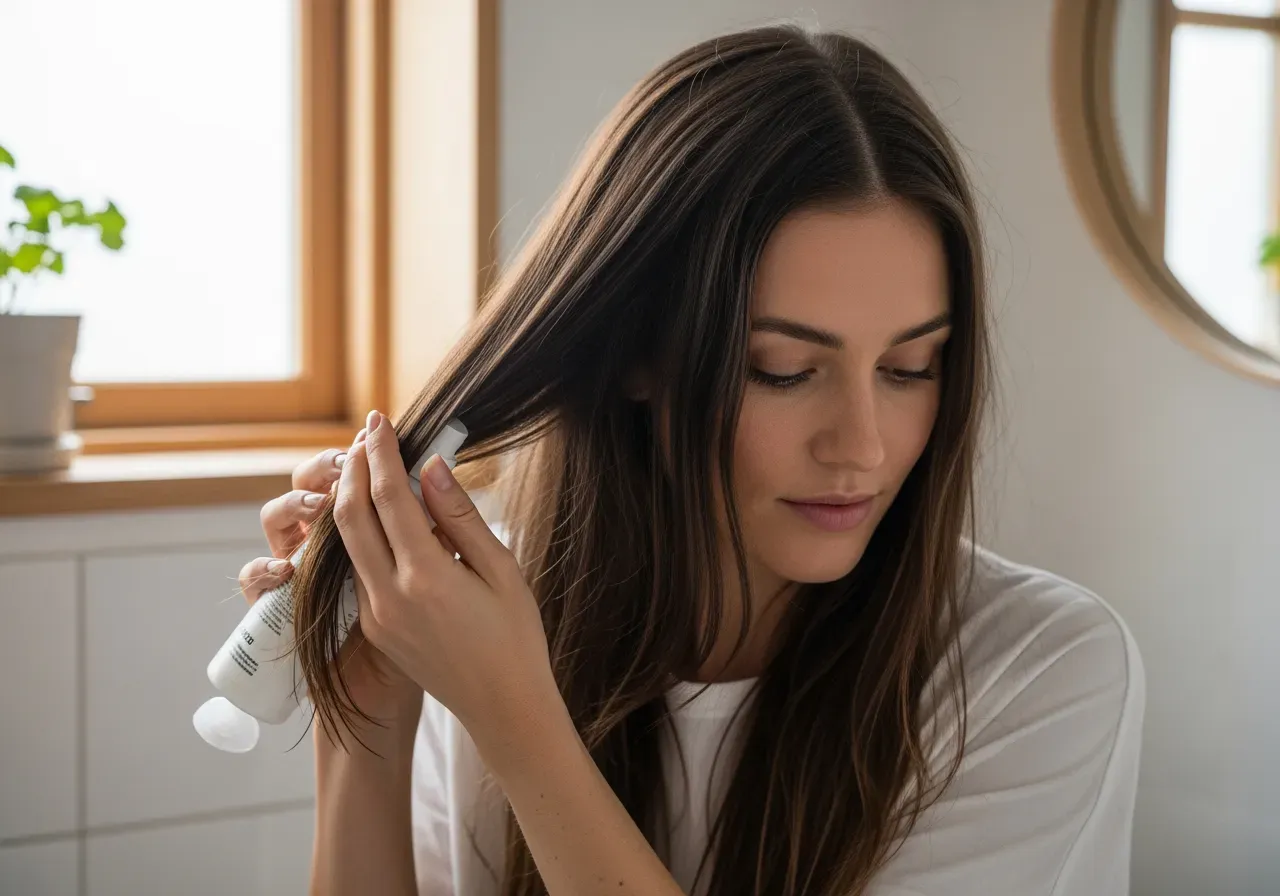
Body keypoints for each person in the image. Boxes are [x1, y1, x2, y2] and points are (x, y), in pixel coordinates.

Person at [237, 24, 1144, 896]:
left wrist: (517, 719)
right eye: (783, 371)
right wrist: (364, 711)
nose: (863, 445)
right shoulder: (473, 616)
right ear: (636, 353)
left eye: (911, 367)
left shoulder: (1041, 669)